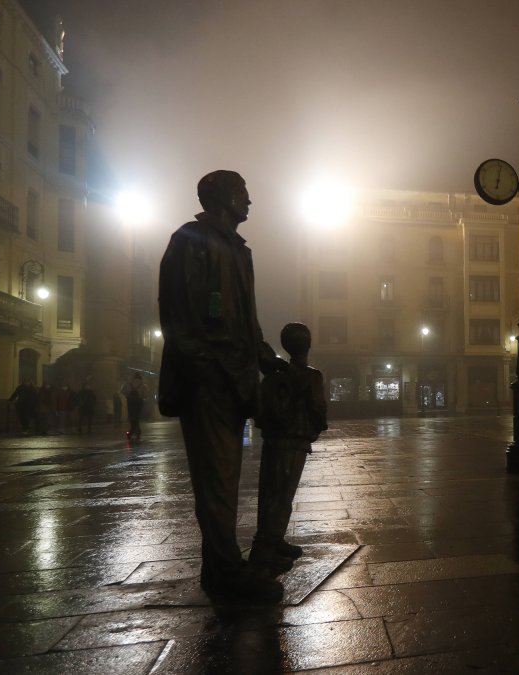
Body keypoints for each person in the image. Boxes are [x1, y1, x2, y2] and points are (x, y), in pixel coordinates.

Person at [158, 169, 288, 603]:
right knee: (215, 478)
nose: (250, 200)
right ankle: (228, 571)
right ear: (224, 197)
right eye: (243, 192)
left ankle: (218, 568)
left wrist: (268, 359)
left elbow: (244, 319)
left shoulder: (237, 248)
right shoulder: (191, 240)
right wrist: (206, 367)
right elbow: (179, 314)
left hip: (234, 376)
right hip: (210, 379)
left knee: (224, 476)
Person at [250, 323, 327, 577]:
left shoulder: (273, 376)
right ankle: (264, 553)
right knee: (282, 497)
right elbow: (318, 411)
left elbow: (259, 411)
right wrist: (312, 431)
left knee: (270, 493)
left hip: (273, 441)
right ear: (309, 344)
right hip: (295, 442)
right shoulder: (312, 376)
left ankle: (275, 541)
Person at [123, 374, 145, 441]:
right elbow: (145, 395)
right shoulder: (143, 386)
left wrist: (128, 396)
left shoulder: (128, 385)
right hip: (138, 404)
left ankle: (132, 433)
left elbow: (123, 391)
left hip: (130, 404)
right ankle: (136, 432)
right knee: (136, 418)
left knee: (132, 419)